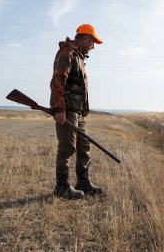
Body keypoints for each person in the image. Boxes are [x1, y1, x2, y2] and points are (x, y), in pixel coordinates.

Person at [50, 24, 104, 199]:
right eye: (92, 42)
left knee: (84, 146)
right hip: (67, 110)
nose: (93, 46)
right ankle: (62, 187)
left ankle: (83, 182)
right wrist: (59, 109)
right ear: (86, 39)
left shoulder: (79, 57)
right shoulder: (66, 53)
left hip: (77, 112)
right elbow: (58, 80)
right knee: (67, 147)